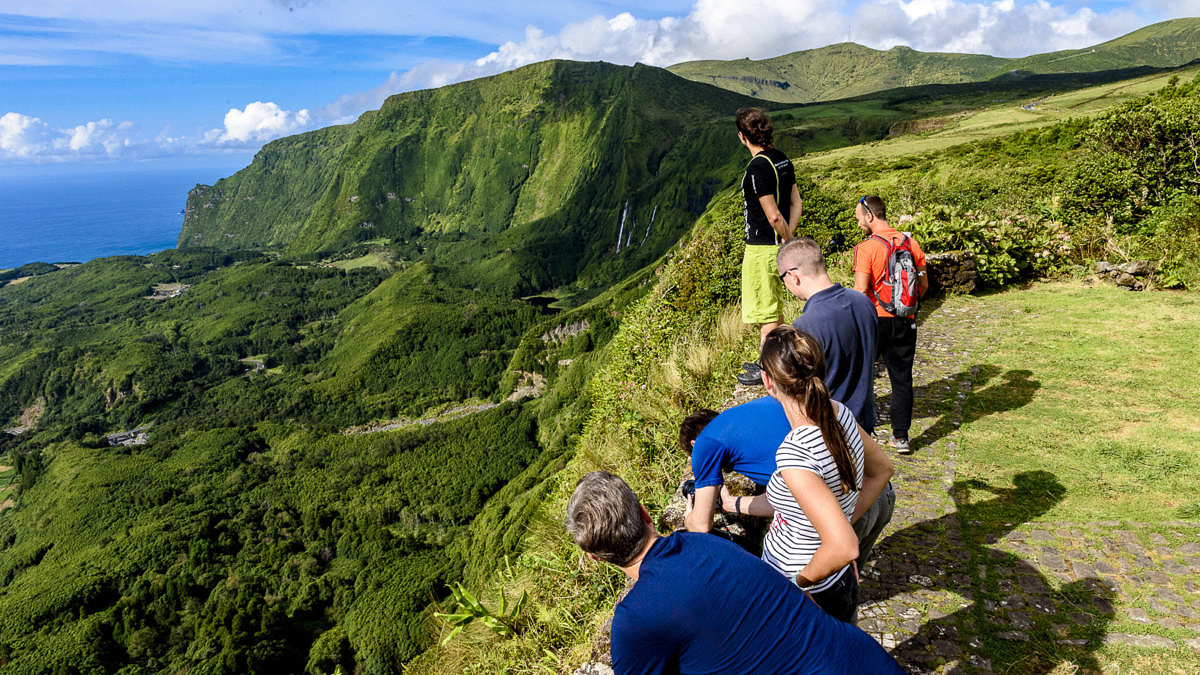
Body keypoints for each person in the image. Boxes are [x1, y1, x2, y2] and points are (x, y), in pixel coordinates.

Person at [565, 471, 905, 675]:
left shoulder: (634, 621)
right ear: (644, 514)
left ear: (596, 557)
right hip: (863, 658)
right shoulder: (706, 545)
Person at [756, 326, 893, 623]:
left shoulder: (795, 454)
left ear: (768, 381)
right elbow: (882, 470)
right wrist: (843, 520)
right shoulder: (838, 412)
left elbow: (844, 545)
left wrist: (796, 584)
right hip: (838, 581)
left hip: (810, 588)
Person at [777, 236, 895, 562]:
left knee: (834, 554)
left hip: (831, 450)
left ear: (793, 275)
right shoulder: (862, 302)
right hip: (863, 435)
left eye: (782, 280)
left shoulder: (804, 327)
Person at [680, 396, 894, 567]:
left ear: (694, 443)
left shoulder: (705, 443)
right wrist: (732, 503)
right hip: (878, 498)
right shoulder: (767, 408)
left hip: (841, 519)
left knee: (822, 607)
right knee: (843, 594)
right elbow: (794, 499)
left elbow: (701, 526)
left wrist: (691, 516)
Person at [853, 195, 928, 454]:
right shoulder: (911, 243)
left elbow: (861, 291)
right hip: (906, 320)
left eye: (860, 219)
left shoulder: (867, 248)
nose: (859, 224)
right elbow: (923, 286)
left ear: (870, 216)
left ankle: (860, 431)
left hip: (876, 321)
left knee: (862, 376)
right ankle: (901, 437)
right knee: (902, 379)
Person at [734, 107, 802, 387]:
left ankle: (768, 370)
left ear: (742, 137)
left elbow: (773, 215)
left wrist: (784, 238)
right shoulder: (782, 159)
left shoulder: (757, 167)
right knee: (774, 310)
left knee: (767, 315)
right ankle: (774, 362)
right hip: (778, 244)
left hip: (761, 249)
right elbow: (795, 203)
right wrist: (790, 236)